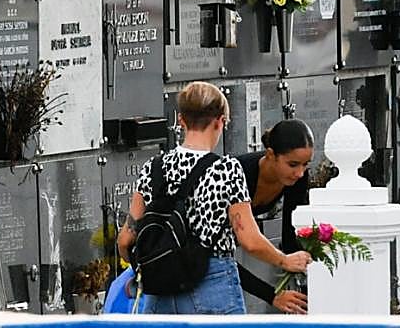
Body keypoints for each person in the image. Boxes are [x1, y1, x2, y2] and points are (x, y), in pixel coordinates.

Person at [116, 82, 311, 315]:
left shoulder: (153, 167)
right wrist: (284, 260)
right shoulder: (225, 170)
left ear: (181, 120)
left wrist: (150, 267)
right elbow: (249, 239)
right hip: (212, 283)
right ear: (221, 122)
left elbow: (125, 240)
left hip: (160, 290)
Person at [235, 119, 315, 315]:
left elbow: (291, 236)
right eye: (293, 164)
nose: (299, 173)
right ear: (271, 155)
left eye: (305, 165)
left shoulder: (297, 178)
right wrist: (271, 295)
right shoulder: (239, 174)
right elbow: (220, 256)